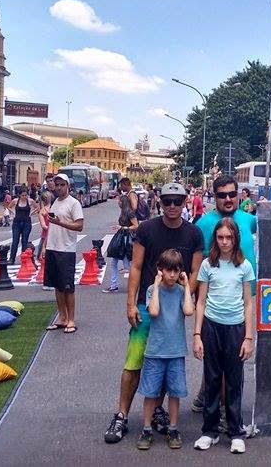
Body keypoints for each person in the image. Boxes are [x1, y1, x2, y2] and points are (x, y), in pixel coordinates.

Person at [104, 182, 204, 445]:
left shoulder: (193, 233)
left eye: (177, 201)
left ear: (184, 202)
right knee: (134, 361)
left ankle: (157, 409)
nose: (172, 206)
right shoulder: (147, 229)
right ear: (160, 202)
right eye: (167, 201)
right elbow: (136, 267)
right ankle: (121, 415)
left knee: (165, 359)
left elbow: (195, 271)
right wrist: (130, 304)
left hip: (173, 310)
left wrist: (186, 295)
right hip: (146, 307)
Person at [192, 217, 255, 454]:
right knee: (212, 380)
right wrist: (197, 334)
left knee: (234, 381)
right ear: (215, 239)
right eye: (220, 237)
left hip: (236, 328)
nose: (225, 242)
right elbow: (201, 302)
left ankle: (236, 432)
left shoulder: (244, 266)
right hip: (211, 326)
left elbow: (248, 304)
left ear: (236, 238)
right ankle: (209, 431)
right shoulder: (208, 265)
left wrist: (248, 337)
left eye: (229, 237)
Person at [135, 250, 195, 450]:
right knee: (150, 393)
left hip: (176, 351)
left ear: (181, 272)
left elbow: (189, 311)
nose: (172, 275)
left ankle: (173, 428)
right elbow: (153, 311)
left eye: (176, 271)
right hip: (155, 351)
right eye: (168, 270)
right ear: (160, 270)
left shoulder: (180, 291)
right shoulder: (152, 290)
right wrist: (156, 284)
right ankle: (146, 429)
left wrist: (187, 286)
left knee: (175, 393)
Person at [43, 174, 84, 332]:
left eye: (62, 185)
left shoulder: (74, 203)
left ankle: (71, 319)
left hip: (66, 250)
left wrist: (60, 222)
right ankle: (62, 317)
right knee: (57, 286)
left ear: (68, 186)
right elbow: (52, 226)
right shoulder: (55, 202)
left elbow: (79, 226)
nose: (59, 188)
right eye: (57, 185)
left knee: (67, 287)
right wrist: (45, 246)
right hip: (53, 248)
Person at [104, 178, 139, 294]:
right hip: (122, 237)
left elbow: (136, 226)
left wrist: (123, 227)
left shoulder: (129, 212)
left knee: (127, 264)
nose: (118, 203)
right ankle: (114, 285)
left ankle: (134, 285)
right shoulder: (124, 212)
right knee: (116, 262)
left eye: (119, 201)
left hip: (125, 239)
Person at [8, 188, 37, 264]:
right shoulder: (15, 201)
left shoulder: (30, 201)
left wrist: (31, 213)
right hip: (16, 223)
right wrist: (13, 212)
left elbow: (37, 207)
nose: (24, 197)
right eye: (22, 195)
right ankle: (12, 258)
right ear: (19, 195)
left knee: (24, 241)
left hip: (26, 223)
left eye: (25, 195)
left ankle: (24, 258)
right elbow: (9, 206)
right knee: (15, 241)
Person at [35, 190, 53, 271]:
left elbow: (44, 226)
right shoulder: (53, 209)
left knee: (41, 255)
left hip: (46, 235)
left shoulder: (43, 211)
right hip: (51, 235)